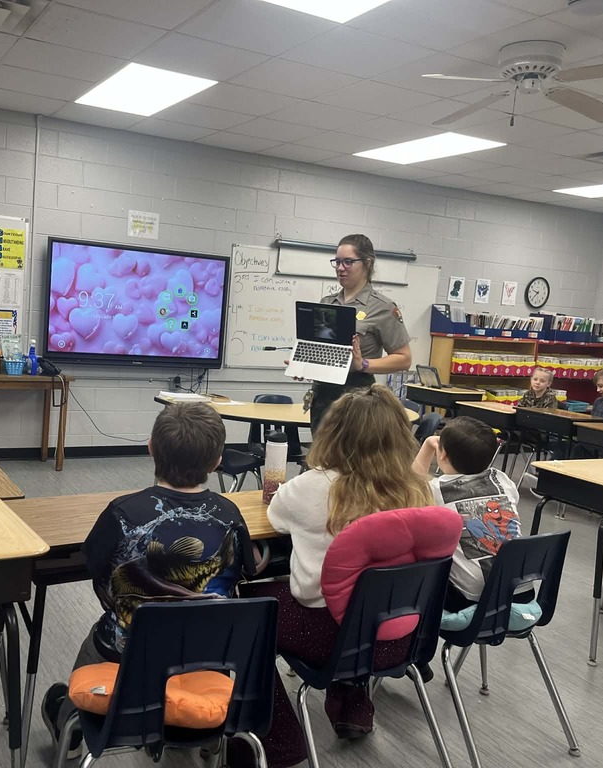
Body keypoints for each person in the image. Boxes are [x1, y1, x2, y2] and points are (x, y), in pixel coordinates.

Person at [41, 403, 256, 759]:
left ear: (151, 447)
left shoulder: (122, 512)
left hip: (124, 655)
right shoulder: (230, 515)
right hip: (207, 655)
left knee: (98, 640)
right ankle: (200, 730)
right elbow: (246, 570)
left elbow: (94, 568)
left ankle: (71, 731)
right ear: (217, 461)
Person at [240, 385, 432, 762]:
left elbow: (275, 518)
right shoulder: (420, 490)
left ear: (333, 432)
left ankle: (277, 739)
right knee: (367, 594)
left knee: (246, 612)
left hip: (327, 637)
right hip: (401, 638)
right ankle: (352, 707)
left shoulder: (309, 487)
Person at [412, 416, 521, 610]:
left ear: (442, 454)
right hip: (519, 589)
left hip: (471, 599)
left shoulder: (435, 490)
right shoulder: (502, 479)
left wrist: (428, 445)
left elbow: (412, 487)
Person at [307, 234, 411, 433]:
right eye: (337, 262)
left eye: (348, 262)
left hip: (357, 399)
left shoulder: (382, 307)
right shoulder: (326, 303)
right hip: (322, 397)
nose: (340, 268)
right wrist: (306, 365)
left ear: (367, 263)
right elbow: (321, 347)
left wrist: (363, 364)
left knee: (352, 452)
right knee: (320, 452)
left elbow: (404, 359)